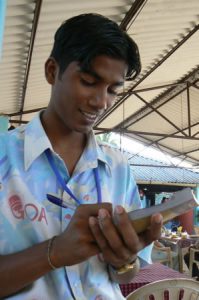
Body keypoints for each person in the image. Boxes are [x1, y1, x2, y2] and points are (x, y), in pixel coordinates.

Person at [0, 13, 163, 299]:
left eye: (113, 90)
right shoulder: (4, 156)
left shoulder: (118, 167)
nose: (101, 102)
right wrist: (55, 252)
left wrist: (123, 260)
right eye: (89, 81)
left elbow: (127, 273)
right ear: (52, 71)